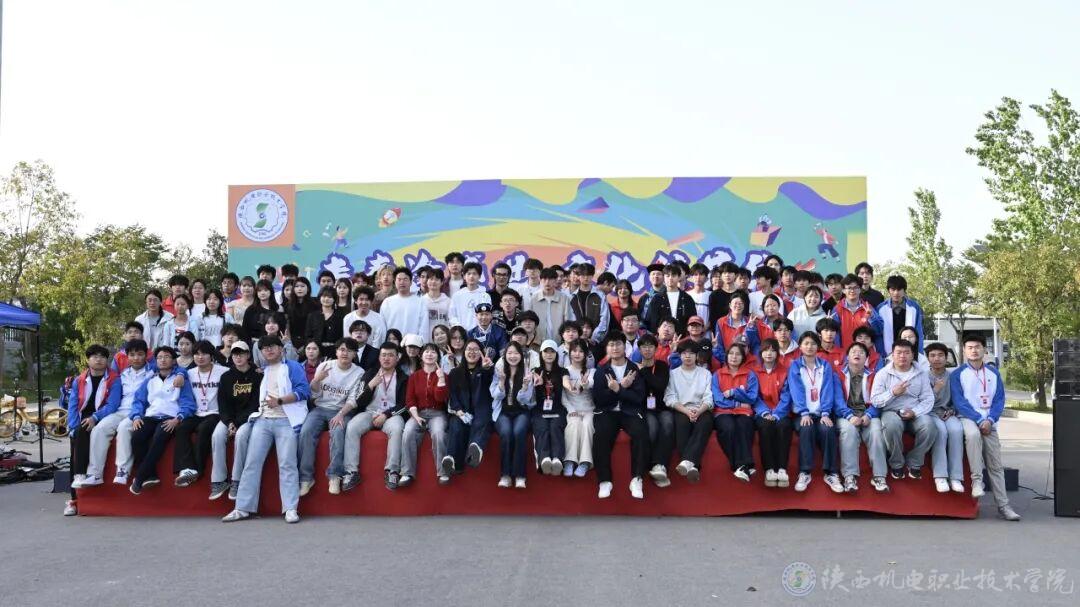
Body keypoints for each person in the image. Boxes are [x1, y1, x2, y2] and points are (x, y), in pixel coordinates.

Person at [222, 335, 311, 523]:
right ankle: (242, 508)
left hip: (286, 420)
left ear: (281, 349)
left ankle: (290, 508)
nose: (268, 350)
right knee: (251, 463)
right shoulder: (262, 370)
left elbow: (304, 391)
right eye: (264, 348)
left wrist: (280, 400)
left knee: (287, 464)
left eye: (272, 346)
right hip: (263, 420)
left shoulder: (293, 366)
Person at [951, 334, 1020, 520]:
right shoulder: (957, 374)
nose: (974, 350)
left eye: (977, 347)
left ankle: (1004, 506)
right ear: (964, 350)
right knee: (973, 435)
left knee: (995, 466)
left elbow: (999, 399)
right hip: (968, 418)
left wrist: (990, 419)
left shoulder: (993, 373)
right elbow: (959, 401)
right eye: (970, 347)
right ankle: (977, 481)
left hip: (989, 422)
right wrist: (979, 419)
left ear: (984, 350)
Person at [78, 340, 152, 489]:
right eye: (132, 355)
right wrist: (96, 417)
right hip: (120, 411)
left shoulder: (152, 373)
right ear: (127, 356)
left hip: (140, 412)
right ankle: (95, 474)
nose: (136, 358)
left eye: (140, 354)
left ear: (146, 355)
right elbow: (114, 401)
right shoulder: (121, 375)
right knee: (99, 429)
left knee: (124, 428)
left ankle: (123, 470)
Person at [297, 338, 364, 496]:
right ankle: (306, 478)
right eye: (342, 349)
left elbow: (353, 399)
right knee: (306, 432)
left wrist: (341, 414)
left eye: (349, 350)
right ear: (336, 351)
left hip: (342, 410)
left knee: (338, 431)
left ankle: (334, 476)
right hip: (320, 408)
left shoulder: (359, 372)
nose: (345, 353)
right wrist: (316, 380)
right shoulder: (325, 366)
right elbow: (313, 394)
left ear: (354, 354)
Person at [128, 346, 197, 495]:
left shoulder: (180, 379)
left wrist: (178, 419)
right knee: (137, 437)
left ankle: (139, 478)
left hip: (170, 417)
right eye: (159, 357)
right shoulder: (150, 379)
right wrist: (136, 416)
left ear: (173, 361)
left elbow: (189, 403)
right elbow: (138, 400)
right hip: (150, 416)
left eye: (166, 357)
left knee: (159, 438)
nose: (163, 360)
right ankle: (150, 475)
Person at [341, 342, 409, 491]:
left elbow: (405, 404)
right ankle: (351, 472)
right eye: (383, 355)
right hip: (369, 412)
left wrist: (386, 415)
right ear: (379, 357)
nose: (386, 358)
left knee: (397, 429)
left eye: (390, 355)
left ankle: (392, 471)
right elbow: (358, 401)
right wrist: (370, 386)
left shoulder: (403, 377)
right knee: (352, 427)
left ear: (397, 358)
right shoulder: (370, 373)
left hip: (391, 415)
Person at [870, 339, 938, 481]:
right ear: (892, 355)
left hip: (916, 411)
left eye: (907, 352)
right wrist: (893, 393)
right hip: (892, 411)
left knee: (929, 426)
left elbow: (928, 399)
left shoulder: (921, 374)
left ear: (912, 355)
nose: (902, 356)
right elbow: (875, 400)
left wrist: (914, 412)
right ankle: (897, 463)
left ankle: (914, 462)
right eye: (899, 352)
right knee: (891, 425)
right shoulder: (882, 374)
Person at [65, 345, 122, 512]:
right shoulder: (79, 380)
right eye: (94, 356)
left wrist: (95, 418)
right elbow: (73, 406)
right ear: (88, 360)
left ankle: (81, 475)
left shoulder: (114, 379)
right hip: (82, 418)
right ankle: (73, 500)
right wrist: (73, 426)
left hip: (102, 416)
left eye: (102, 357)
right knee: (75, 444)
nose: (99, 359)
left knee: (83, 430)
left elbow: (113, 405)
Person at [786, 332, 844, 493]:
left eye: (813, 343)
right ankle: (804, 472)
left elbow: (827, 389)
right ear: (800, 346)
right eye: (806, 343)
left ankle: (831, 473)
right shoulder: (795, 366)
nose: (809, 346)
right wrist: (804, 412)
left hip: (822, 412)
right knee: (807, 428)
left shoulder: (825, 365)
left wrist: (825, 413)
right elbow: (796, 390)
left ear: (818, 346)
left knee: (828, 429)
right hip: (802, 413)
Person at [591, 338, 649, 499]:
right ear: (607, 348)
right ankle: (604, 481)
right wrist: (620, 388)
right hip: (607, 411)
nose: (615, 348)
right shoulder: (601, 370)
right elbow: (599, 399)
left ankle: (637, 478)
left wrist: (619, 389)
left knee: (641, 433)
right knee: (600, 435)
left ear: (625, 347)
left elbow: (638, 398)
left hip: (630, 411)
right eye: (611, 344)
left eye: (618, 344)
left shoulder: (634, 369)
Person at [834, 342, 889, 493]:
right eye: (853, 352)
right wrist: (848, 415)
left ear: (866, 358)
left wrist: (870, 414)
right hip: (845, 414)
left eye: (861, 352)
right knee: (849, 431)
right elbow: (837, 400)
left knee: (876, 431)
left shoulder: (875, 375)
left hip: (868, 413)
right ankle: (849, 476)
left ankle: (879, 476)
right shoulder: (838, 374)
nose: (857, 354)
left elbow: (879, 400)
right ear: (847, 357)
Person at [172, 341, 229, 487]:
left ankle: (197, 470)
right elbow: (176, 369)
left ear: (211, 356)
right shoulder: (189, 373)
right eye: (197, 354)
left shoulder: (223, 371)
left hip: (215, 413)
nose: (200, 357)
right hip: (196, 413)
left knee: (204, 430)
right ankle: (186, 469)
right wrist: (180, 373)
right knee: (182, 428)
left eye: (204, 353)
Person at [209, 341, 261, 500]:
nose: (238, 357)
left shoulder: (258, 376)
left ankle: (237, 480)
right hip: (230, 418)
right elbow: (223, 404)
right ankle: (219, 480)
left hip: (249, 418)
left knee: (241, 436)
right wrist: (230, 422)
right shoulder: (226, 377)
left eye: (241, 353)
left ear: (248, 355)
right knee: (217, 435)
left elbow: (255, 404)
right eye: (235, 354)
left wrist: (237, 423)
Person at [665, 338, 714, 483]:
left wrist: (699, 411)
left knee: (705, 424)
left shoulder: (705, 373)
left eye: (691, 353)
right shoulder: (673, 374)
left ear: (697, 355)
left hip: (701, 409)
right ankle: (694, 465)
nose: (688, 356)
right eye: (684, 353)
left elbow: (708, 397)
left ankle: (687, 461)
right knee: (682, 424)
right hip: (681, 408)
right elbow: (670, 397)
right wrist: (686, 411)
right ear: (680, 355)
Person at [401, 343, 451, 485]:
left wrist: (441, 380)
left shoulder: (444, 376)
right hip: (418, 412)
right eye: (426, 352)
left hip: (437, 413)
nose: (429, 354)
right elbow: (410, 399)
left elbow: (440, 399)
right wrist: (416, 416)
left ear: (438, 356)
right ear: (421, 356)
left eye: (433, 352)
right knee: (408, 432)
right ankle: (407, 473)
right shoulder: (414, 376)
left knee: (439, 433)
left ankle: (443, 472)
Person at [445, 339, 494, 476]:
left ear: (481, 352)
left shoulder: (487, 370)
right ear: (464, 352)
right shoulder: (455, 373)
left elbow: (489, 383)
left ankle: (475, 448)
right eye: (469, 349)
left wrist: (485, 369)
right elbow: (452, 395)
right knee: (455, 425)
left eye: (476, 349)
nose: (472, 352)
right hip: (462, 411)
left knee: (482, 421)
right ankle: (451, 459)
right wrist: (459, 411)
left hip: (481, 411)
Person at [711, 343, 759, 482]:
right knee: (728, 428)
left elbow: (752, 397)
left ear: (743, 357)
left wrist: (734, 392)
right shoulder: (718, 374)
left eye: (738, 354)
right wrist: (737, 402)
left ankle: (740, 466)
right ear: (726, 356)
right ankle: (743, 465)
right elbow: (718, 399)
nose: (734, 357)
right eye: (731, 353)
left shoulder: (750, 374)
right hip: (723, 412)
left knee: (744, 426)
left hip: (744, 412)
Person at [491, 342, 536, 488]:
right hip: (503, 412)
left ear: (521, 356)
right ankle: (505, 475)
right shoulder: (499, 371)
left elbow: (525, 400)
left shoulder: (527, 373)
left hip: (521, 411)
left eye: (516, 353)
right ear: (505, 355)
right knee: (506, 432)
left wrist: (525, 386)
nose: (513, 356)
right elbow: (495, 395)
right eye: (509, 353)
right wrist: (502, 382)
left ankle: (520, 475)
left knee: (519, 432)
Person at [751, 339, 793, 488]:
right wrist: (764, 412)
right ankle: (769, 469)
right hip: (761, 412)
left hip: (781, 412)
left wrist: (777, 413)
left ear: (777, 353)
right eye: (766, 350)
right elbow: (754, 396)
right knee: (765, 427)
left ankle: (782, 469)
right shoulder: (754, 371)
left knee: (784, 426)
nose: (769, 353)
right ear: (761, 353)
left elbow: (787, 395)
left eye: (773, 350)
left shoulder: (785, 371)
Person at [925, 342, 965, 494]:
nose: (937, 359)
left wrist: (953, 410)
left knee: (956, 430)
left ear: (946, 357)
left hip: (948, 413)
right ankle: (940, 476)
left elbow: (958, 398)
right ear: (928, 358)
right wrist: (935, 390)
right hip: (930, 413)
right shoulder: (923, 376)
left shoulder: (953, 376)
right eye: (933, 355)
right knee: (940, 432)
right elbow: (922, 401)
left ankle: (956, 477)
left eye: (941, 355)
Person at [637, 334, 672, 487]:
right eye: (644, 346)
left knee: (668, 424)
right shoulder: (633, 367)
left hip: (662, 407)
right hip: (645, 409)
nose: (647, 349)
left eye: (650, 346)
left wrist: (644, 371)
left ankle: (660, 464)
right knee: (652, 427)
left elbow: (660, 385)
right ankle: (650, 465)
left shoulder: (662, 366)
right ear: (639, 349)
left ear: (656, 349)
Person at [532, 340, 567, 476]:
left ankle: (557, 459)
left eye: (552, 351)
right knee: (542, 427)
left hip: (557, 408)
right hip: (539, 409)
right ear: (541, 354)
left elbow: (566, 382)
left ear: (556, 354)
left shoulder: (562, 371)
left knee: (555, 427)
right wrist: (538, 384)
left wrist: (571, 386)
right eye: (546, 351)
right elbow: (530, 392)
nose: (549, 354)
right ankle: (544, 459)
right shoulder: (535, 371)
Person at [561, 339, 595, 477]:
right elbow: (563, 397)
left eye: (581, 351)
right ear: (570, 353)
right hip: (572, 409)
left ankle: (585, 462)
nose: (577, 354)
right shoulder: (565, 371)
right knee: (573, 424)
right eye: (574, 351)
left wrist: (585, 383)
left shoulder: (591, 371)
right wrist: (571, 410)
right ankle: (569, 461)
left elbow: (591, 383)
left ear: (585, 354)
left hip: (589, 409)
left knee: (587, 425)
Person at [830, 274, 883, 350]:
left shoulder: (868, 307)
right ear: (843, 290)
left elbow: (879, 330)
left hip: (866, 353)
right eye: (849, 288)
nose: (852, 291)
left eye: (855, 288)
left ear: (860, 289)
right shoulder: (837, 309)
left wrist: (872, 317)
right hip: (847, 353)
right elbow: (835, 335)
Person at [876, 275, 925, 355]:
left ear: (904, 290)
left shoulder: (914, 307)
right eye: (893, 289)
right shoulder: (881, 309)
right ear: (888, 290)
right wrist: (881, 353)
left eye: (899, 289)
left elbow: (919, 332)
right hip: (887, 354)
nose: (896, 293)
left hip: (909, 354)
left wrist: (919, 353)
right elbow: (878, 334)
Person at [567, 263, 611, 344]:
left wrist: (595, 338)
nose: (586, 278)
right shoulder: (572, 297)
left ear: (592, 276)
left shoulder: (600, 295)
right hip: (576, 341)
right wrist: (577, 336)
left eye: (588, 275)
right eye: (583, 275)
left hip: (595, 342)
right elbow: (570, 319)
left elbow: (604, 319)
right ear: (579, 276)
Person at [647, 264, 696, 334]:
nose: (670, 278)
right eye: (667, 276)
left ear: (679, 277)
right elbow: (652, 321)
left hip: (682, 337)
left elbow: (692, 319)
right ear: (664, 278)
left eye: (673, 275)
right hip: (662, 337)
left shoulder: (687, 298)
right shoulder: (657, 298)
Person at [526, 267, 570, 343]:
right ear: (540, 280)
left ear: (555, 280)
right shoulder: (534, 298)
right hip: (538, 342)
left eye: (550, 279)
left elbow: (567, 320)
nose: (547, 282)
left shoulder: (564, 298)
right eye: (544, 279)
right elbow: (530, 320)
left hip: (559, 341)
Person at [380, 267, 425, 336]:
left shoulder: (420, 301)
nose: (402, 282)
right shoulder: (387, 302)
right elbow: (382, 325)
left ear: (411, 282)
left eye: (405, 279)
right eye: (399, 279)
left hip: (413, 341)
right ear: (395, 282)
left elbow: (423, 326)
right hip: (392, 341)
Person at [449, 262, 492, 332]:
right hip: (461, 334)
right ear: (464, 276)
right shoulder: (457, 295)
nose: (471, 276)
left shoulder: (485, 295)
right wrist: (460, 330)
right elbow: (452, 316)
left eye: (474, 274)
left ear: (479, 276)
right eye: (468, 274)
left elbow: (487, 316)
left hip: (479, 333)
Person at [305, 287, 346, 359]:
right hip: (316, 352)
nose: (326, 299)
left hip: (335, 352)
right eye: (324, 296)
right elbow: (308, 336)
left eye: (330, 297)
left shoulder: (340, 316)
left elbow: (342, 336)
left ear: (334, 299)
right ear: (320, 298)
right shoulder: (312, 315)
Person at [711, 290, 751, 364]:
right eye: (735, 303)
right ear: (730, 305)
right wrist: (728, 361)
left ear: (744, 305)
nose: (738, 305)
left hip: (746, 363)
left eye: (741, 303)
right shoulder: (721, 322)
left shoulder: (750, 322)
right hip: (727, 362)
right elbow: (719, 345)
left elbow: (752, 345)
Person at [418, 267, 452, 340]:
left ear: (442, 282)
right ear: (427, 281)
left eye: (436, 279)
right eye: (431, 279)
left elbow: (451, 322)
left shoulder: (448, 301)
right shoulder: (421, 301)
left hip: (444, 341)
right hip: (426, 341)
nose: (433, 282)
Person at [285, 278, 319, 348]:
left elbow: (316, 326)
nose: (299, 289)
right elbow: (287, 325)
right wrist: (289, 342)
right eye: (297, 286)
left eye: (302, 286)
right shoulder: (288, 305)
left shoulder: (315, 304)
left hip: (310, 342)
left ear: (308, 288)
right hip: (293, 341)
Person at [638, 263, 667, 332]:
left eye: (659, 274)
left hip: (664, 333)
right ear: (649, 278)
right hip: (646, 334)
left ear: (664, 277)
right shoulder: (644, 298)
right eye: (653, 274)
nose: (656, 276)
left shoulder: (668, 295)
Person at [687, 264, 711, 328]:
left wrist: (704, 329)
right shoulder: (686, 295)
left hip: (706, 332)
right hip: (689, 332)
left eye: (701, 274)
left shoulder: (711, 295)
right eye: (695, 274)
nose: (698, 277)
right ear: (691, 277)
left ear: (707, 278)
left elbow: (714, 316)